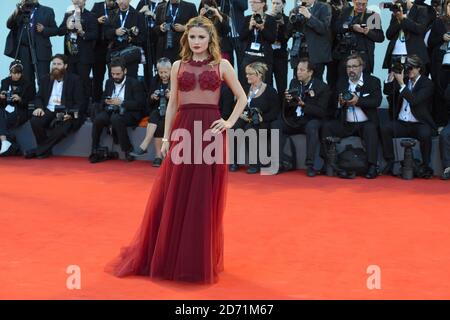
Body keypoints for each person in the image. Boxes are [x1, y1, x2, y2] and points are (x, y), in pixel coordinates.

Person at [106, 16, 247, 284]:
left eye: (201, 37)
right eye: (192, 37)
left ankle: (196, 257)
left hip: (210, 131)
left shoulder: (223, 65)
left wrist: (228, 121)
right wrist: (168, 137)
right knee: (176, 190)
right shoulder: (177, 66)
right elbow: (172, 104)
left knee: (203, 194)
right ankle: (171, 253)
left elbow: (242, 97)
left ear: (210, 39)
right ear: (186, 39)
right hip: (183, 128)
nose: (196, 42)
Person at [321, 53, 382, 179]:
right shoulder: (342, 81)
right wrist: (340, 102)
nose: (351, 70)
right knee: (326, 127)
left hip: (365, 122)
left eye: (354, 66)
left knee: (371, 129)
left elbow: (376, 101)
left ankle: (372, 166)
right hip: (347, 123)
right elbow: (335, 103)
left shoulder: (373, 81)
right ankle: (327, 162)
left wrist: (358, 101)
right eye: (348, 67)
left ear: (362, 67)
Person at [271, 58, 330, 176]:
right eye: (297, 69)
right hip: (294, 119)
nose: (298, 72)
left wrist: (304, 105)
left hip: (310, 119)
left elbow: (322, 112)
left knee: (312, 127)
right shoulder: (294, 82)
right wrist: (287, 100)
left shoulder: (321, 87)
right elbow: (288, 106)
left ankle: (310, 165)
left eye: (302, 70)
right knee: (276, 125)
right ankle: (279, 162)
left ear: (310, 72)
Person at [381, 54, 436, 177]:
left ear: (419, 68)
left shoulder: (427, 83)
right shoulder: (404, 79)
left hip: (419, 123)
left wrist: (401, 83)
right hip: (402, 123)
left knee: (425, 133)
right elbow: (387, 91)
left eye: (411, 68)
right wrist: (391, 77)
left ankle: (425, 165)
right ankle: (390, 161)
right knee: (385, 128)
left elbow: (414, 100)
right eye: (407, 68)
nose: (408, 71)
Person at [25, 54, 84, 159]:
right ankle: (44, 150)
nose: (55, 66)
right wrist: (39, 108)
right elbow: (38, 97)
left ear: (65, 66)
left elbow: (80, 102)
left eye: (59, 64)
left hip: (65, 112)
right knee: (35, 121)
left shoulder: (75, 80)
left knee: (62, 129)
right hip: (48, 109)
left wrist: (70, 114)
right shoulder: (45, 79)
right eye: (54, 64)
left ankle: (39, 150)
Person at [90, 58, 146, 162]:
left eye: (118, 74)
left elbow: (140, 104)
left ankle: (128, 149)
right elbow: (102, 99)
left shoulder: (134, 83)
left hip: (128, 112)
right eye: (113, 74)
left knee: (116, 119)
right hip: (111, 110)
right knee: (98, 119)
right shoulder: (109, 82)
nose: (115, 77)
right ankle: (94, 148)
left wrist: (121, 103)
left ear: (125, 71)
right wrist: (107, 101)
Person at [230, 61, 280, 174]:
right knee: (234, 128)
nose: (247, 76)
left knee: (250, 130)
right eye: (246, 73)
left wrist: (263, 118)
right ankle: (234, 161)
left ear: (259, 75)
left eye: (250, 74)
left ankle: (254, 164)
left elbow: (275, 111)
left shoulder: (270, 91)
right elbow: (236, 104)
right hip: (246, 118)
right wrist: (240, 113)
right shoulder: (245, 88)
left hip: (262, 121)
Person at [4, 0, 59, 87]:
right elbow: (9, 25)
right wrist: (17, 10)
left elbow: (56, 30)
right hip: (24, 51)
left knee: (43, 79)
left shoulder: (47, 10)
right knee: (27, 80)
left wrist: (44, 30)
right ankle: (29, 100)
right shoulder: (20, 11)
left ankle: (43, 99)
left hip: (42, 51)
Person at [129, 57, 172, 167]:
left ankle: (153, 153)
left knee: (161, 123)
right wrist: (153, 97)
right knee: (154, 115)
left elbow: (182, 99)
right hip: (158, 109)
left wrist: (171, 96)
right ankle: (151, 149)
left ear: (171, 70)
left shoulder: (175, 80)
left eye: (165, 72)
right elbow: (148, 101)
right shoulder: (155, 80)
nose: (163, 75)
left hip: (171, 111)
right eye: (160, 72)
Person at [59, 0, 98, 112]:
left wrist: (82, 32)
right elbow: (60, 31)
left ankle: (84, 110)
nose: (77, 0)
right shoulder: (68, 14)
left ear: (85, 1)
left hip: (84, 57)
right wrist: (67, 27)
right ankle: (71, 109)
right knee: (70, 83)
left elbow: (95, 34)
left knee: (84, 84)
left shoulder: (91, 15)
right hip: (70, 57)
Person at [0, 61, 35, 155]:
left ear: (21, 73)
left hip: (20, 110)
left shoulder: (28, 84)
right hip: (5, 109)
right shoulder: (5, 82)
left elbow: (31, 102)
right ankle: (7, 143)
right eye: (14, 73)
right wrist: (2, 97)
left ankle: (7, 143)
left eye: (18, 73)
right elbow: (2, 102)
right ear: (10, 72)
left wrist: (20, 99)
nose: (16, 75)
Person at [239, 0, 276, 87]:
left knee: (263, 84)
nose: (252, 4)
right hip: (248, 56)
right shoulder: (247, 18)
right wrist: (249, 27)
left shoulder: (270, 20)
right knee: (245, 84)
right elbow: (241, 37)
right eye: (251, 2)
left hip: (263, 58)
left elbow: (272, 39)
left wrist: (262, 28)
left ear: (263, 4)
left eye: (255, 2)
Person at [104, 0, 146, 79]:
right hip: (114, 54)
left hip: (131, 55)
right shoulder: (111, 14)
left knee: (131, 83)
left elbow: (143, 37)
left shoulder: (138, 15)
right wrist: (115, 32)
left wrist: (131, 38)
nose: (121, 2)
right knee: (114, 82)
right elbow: (105, 33)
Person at [91, 0, 120, 102]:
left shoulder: (119, 7)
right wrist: (97, 20)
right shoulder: (97, 6)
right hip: (98, 47)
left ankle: (111, 100)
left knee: (113, 75)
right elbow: (88, 21)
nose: (110, 2)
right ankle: (96, 103)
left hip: (113, 46)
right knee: (97, 76)